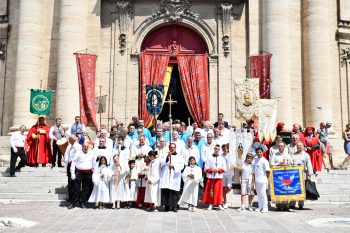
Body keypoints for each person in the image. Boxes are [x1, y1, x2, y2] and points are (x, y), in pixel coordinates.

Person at [159, 143, 185, 212]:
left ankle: (174, 206)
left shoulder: (179, 156)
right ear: (169, 148)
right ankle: (166, 206)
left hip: (174, 176)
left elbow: (182, 165)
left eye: (173, 147)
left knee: (174, 191)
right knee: (166, 191)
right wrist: (167, 157)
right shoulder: (165, 155)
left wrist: (174, 166)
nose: (172, 148)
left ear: (175, 148)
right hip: (166, 175)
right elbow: (161, 162)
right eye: (171, 147)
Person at [69, 142, 95, 209]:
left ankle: (82, 202)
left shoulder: (91, 153)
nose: (85, 147)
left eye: (87, 146)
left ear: (88, 147)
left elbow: (94, 163)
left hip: (88, 173)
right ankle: (73, 203)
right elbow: (73, 162)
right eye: (84, 146)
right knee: (76, 188)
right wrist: (72, 173)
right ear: (82, 147)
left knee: (85, 189)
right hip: (79, 173)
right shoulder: (78, 153)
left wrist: (94, 173)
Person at [290, 142, 314, 209]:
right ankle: (292, 203)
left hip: (303, 174)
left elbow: (309, 165)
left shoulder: (306, 155)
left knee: (302, 189)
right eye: (297, 146)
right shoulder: (293, 155)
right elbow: (290, 163)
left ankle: (301, 204)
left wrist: (309, 174)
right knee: (294, 189)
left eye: (300, 146)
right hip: (294, 175)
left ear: (303, 147)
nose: (299, 147)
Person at [202, 144, 226, 210]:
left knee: (218, 191)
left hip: (218, 177)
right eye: (216, 149)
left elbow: (224, 168)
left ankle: (219, 204)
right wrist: (212, 170)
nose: (217, 150)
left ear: (219, 150)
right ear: (214, 149)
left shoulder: (222, 158)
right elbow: (206, 167)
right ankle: (211, 204)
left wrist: (218, 170)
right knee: (211, 191)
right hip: (211, 177)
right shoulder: (209, 158)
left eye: (218, 149)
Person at [64, 135, 81, 204]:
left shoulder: (78, 146)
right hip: (69, 164)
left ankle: (76, 198)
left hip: (76, 166)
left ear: (73, 139)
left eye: (70, 139)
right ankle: (70, 197)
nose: (69, 140)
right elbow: (66, 155)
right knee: (70, 182)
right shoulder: (69, 146)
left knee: (75, 183)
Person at [253, 147, 270, 213]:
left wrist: (266, 179)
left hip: (263, 180)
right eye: (258, 152)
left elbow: (268, 171)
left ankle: (265, 208)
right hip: (257, 180)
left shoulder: (265, 161)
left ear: (262, 152)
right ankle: (260, 207)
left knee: (263, 194)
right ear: (256, 153)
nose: (259, 153)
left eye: (260, 152)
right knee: (259, 194)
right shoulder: (255, 160)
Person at [221, 144, 233, 209]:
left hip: (229, 173)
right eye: (223, 149)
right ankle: (225, 201)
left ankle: (223, 196)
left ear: (228, 149)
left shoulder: (231, 155)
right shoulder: (221, 156)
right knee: (223, 188)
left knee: (229, 187)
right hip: (223, 174)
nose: (224, 150)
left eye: (225, 148)